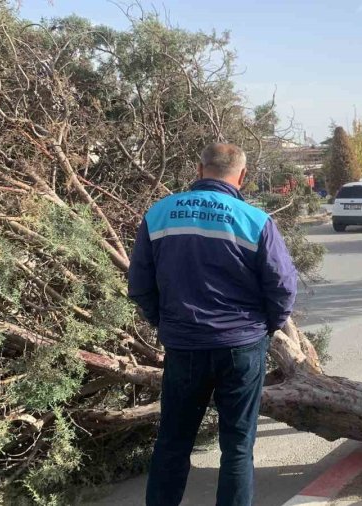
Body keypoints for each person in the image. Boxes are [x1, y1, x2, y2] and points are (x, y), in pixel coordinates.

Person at [128, 143, 297, 506]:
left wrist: (165, 322)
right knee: (237, 446)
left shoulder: (159, 214)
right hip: (241, 346)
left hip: (184, 346)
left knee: (173, 442)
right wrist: (266, 327)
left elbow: (139, 285)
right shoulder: (254, 220)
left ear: (199, 168)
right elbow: (282, 286)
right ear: (242, 176)